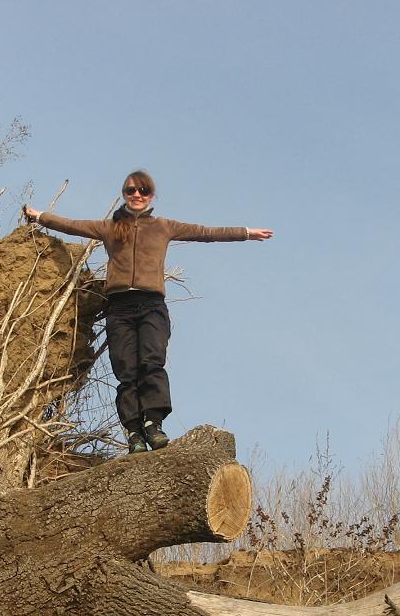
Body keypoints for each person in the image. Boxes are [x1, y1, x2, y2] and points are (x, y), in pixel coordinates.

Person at [24, 170, 272, 453]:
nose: (137, 195)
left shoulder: (163, 226)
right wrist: (40, 216)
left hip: (152, 304)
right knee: (126, 370)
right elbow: (71, 225)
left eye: (143, 190)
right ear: (124, 194)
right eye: (131, 190)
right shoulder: (109, 227)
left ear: (151, 195)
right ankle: (133, 432)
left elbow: (205, 233)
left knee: (151, 363)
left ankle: (153, 424)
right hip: (119, 307)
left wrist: (246, 233)